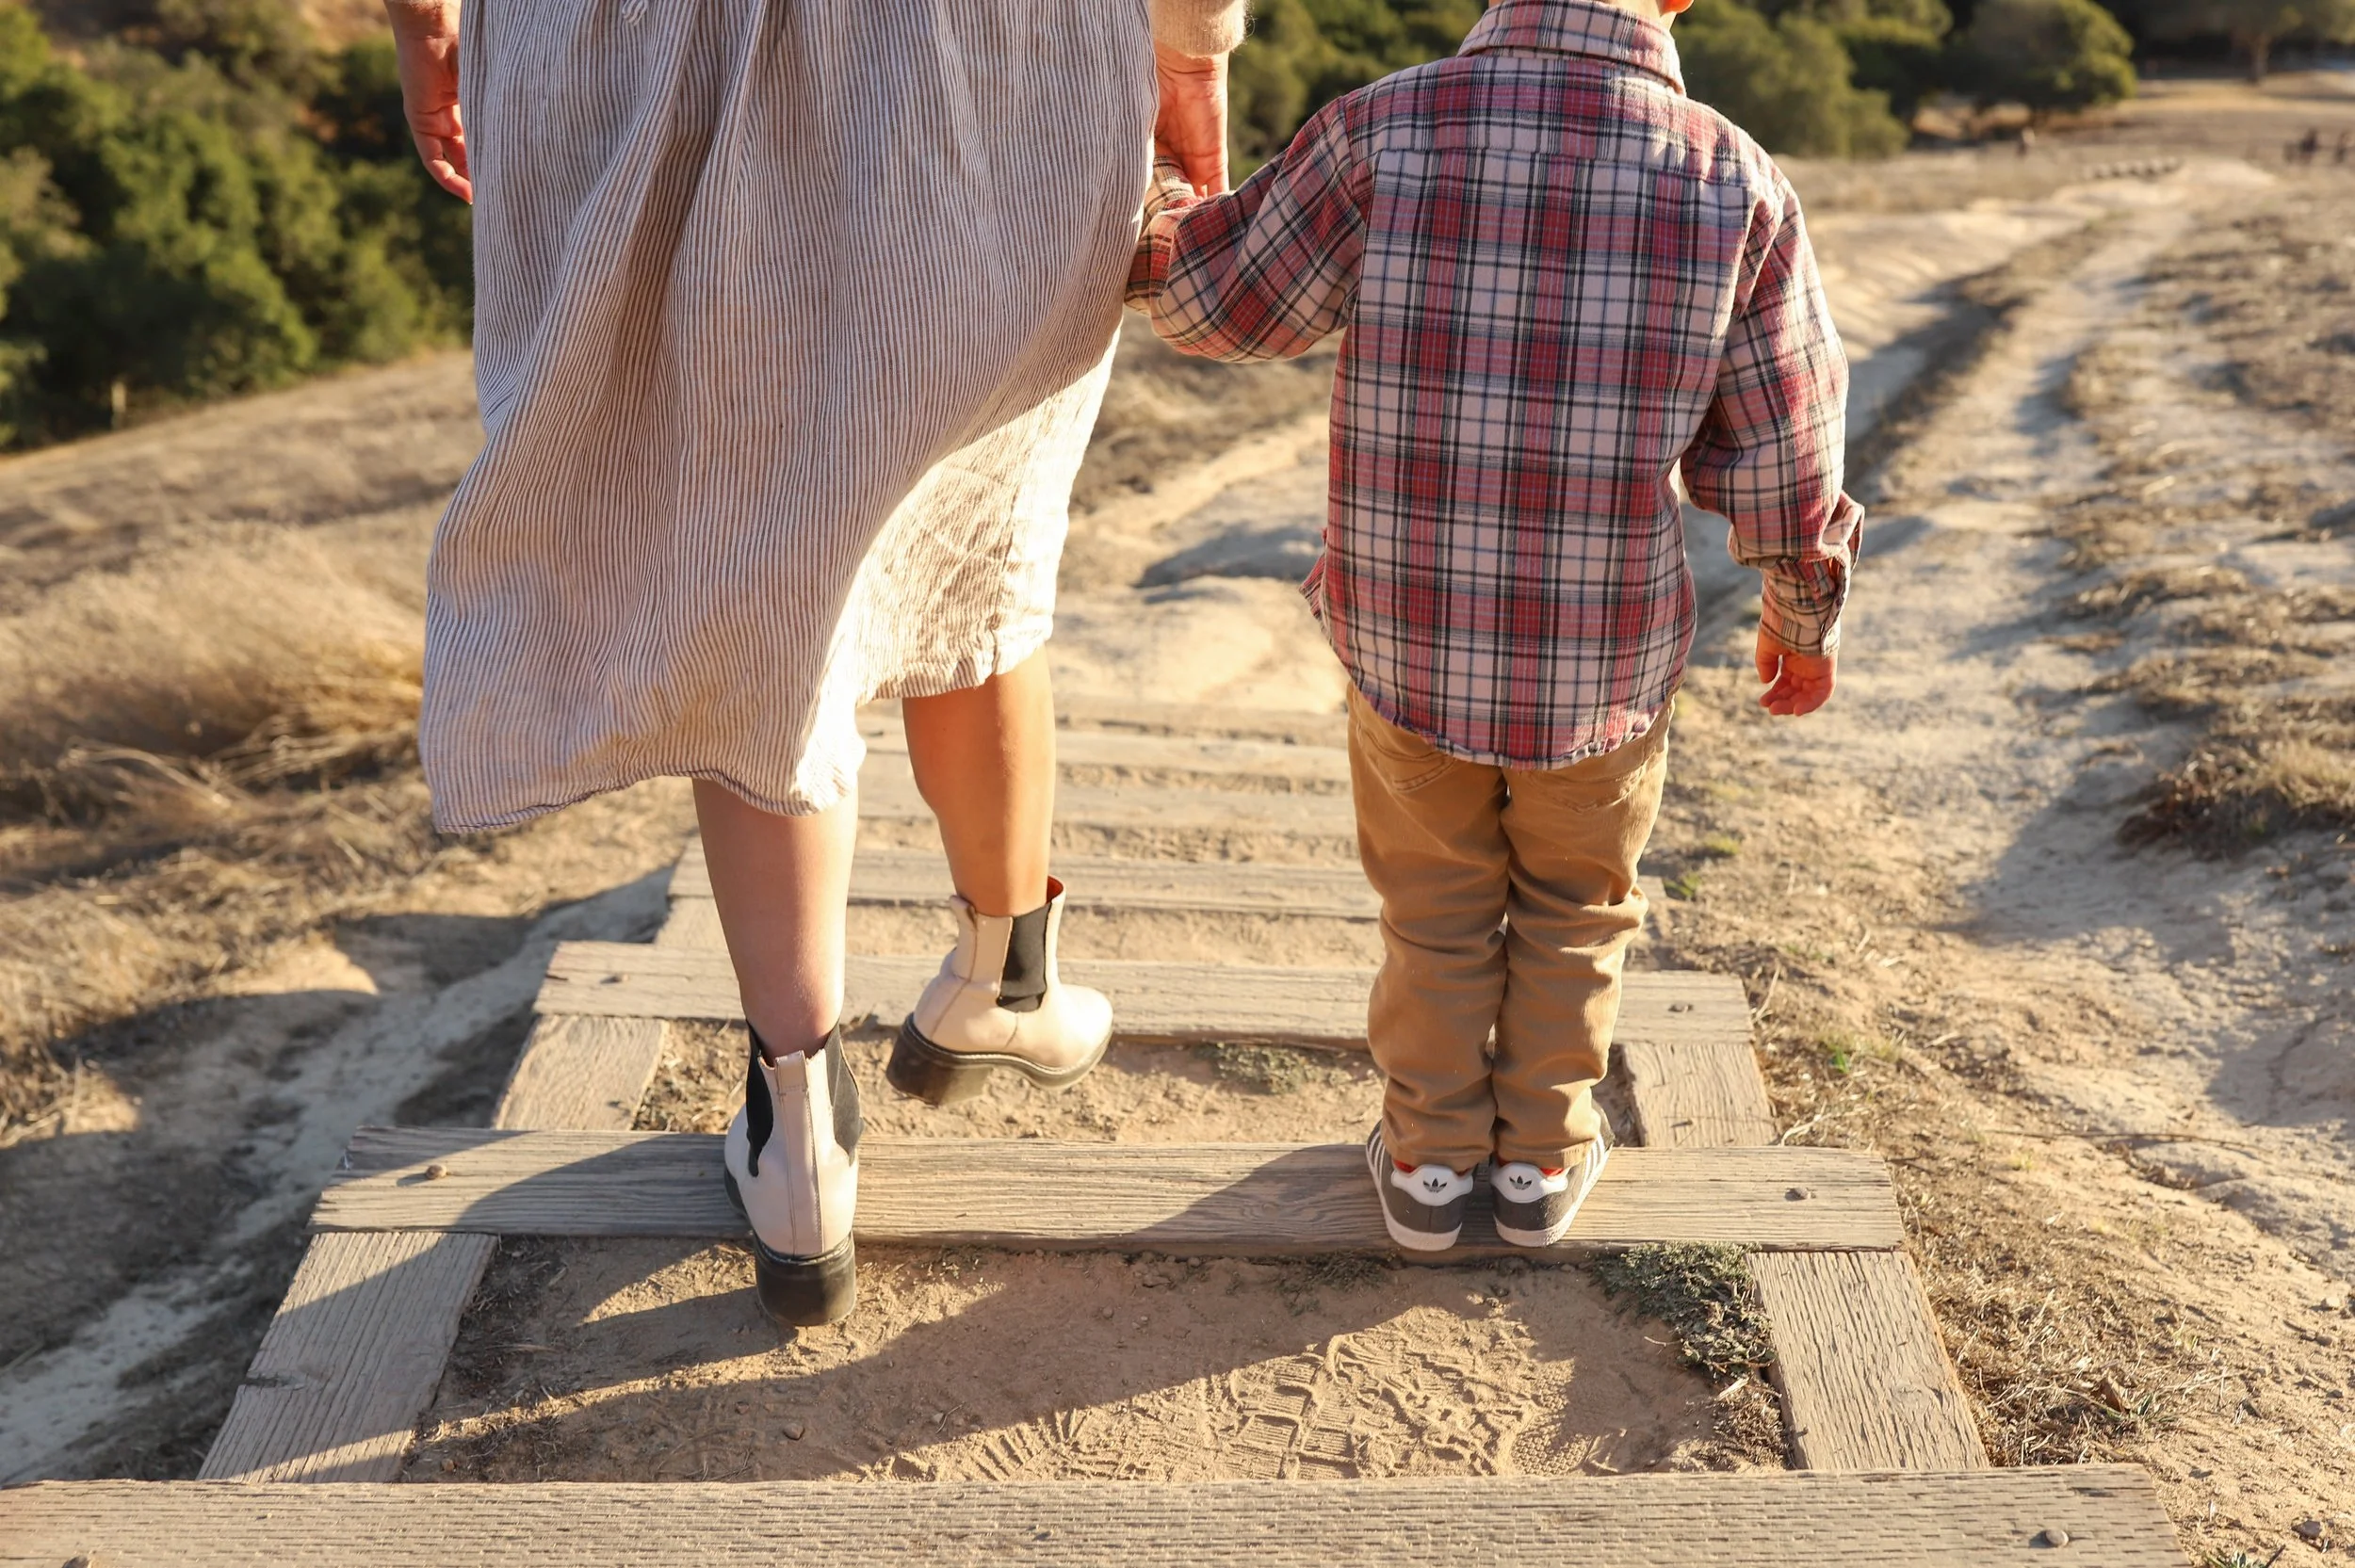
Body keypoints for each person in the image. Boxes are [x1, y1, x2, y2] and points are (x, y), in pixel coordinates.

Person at [382, 0, 1243, 1325]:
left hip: (622, 44)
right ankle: (1003, 973)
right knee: (970, 509)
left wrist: (427, 19)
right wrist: (1192, 42)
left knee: (757, 557)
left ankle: (802, 1130)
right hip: (981, 49)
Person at [1128, 0, 1860, 1249]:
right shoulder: (1733, 176)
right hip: (1603, 663)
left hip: (1407, 640)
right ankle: (1541, 1157)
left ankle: (1426, 1160)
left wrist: (1157, 208)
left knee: (1434, 905)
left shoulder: (1381, 128)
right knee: (1580, 909)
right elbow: (1786, 448)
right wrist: (1801, 610)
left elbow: (1214, 305)